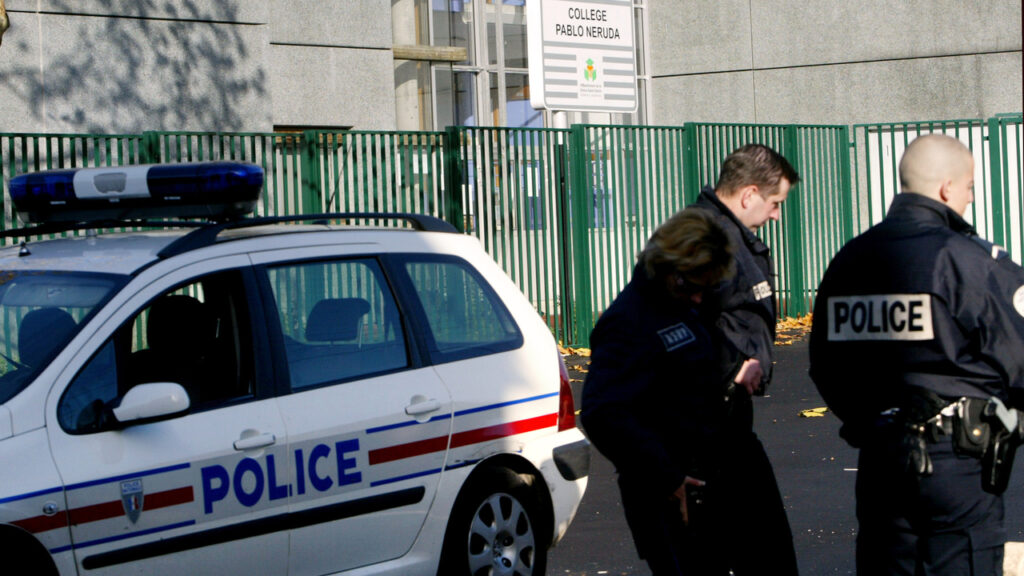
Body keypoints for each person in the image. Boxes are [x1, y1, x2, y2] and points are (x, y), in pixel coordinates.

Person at [809, 133, 1024, 575]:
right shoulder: (971, 261)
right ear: (947, 189)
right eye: (969, 189)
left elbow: (826, 367)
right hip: (959, 463)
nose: (968, 199)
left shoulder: (849, 260)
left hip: (882, 456)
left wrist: (872, 419)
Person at [581, 209, 762, 575]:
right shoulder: (628, 321)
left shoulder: (678, 306)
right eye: (693, 286)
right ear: (669, 268)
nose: (699, 298)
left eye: (707, 288)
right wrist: (666, 475)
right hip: (667, 493)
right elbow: (602, 412)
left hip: (706, 482)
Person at [686, 143, 801, 575]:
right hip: (701, 430)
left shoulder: (726, 235)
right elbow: (671, 326)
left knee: (765, 550)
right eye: (775, 204)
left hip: (727, 421)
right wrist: (733, 363)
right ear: (749, 194)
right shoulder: (703, 239)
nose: (776, 215)